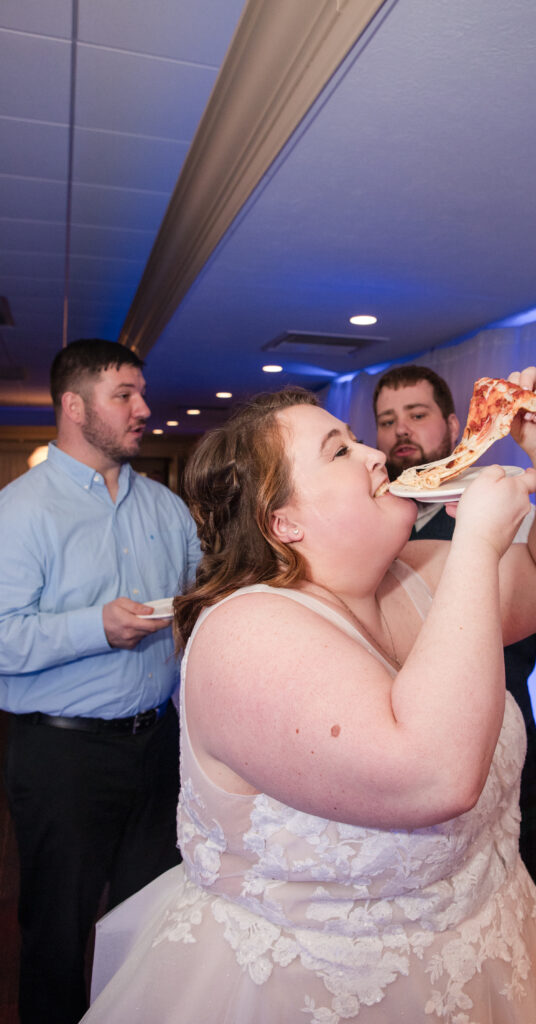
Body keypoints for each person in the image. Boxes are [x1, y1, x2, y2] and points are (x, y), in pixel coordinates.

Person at [82, 367, 536, 1023]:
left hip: (485, 951)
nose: (375, 454)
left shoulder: (411, 573)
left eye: (356, 440)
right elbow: (434, 777)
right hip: (322, 988)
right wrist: (474, 543)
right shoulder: (247, 634)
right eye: (340, 451)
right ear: (283, 521)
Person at [0, 339, 201, 1024]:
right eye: (124, 395)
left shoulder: (167, 508)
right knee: (57, 932)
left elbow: (200, 601)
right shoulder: (20, 511)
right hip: (62, 756)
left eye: (141, 393)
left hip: (159, 747)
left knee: (153, 920)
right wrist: (97, 628)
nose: (144, 409)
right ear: (74, 406)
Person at [373, 363, 536, 930]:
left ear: (454, 424)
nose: (401, 430)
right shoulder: (373, 521)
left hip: (506, 746)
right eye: (386, 420)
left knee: (519, 910)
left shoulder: (506, 508)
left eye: (417, 414)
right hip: (401, 768)